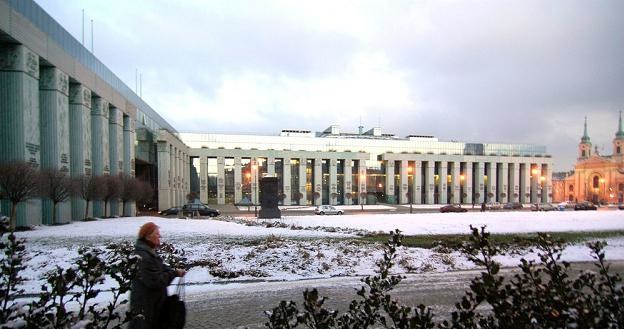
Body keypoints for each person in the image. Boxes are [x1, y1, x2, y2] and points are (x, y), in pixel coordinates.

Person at [129, 222, 186, 329]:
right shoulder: (144, 256)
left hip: (153, 306)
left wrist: (175, 271)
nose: (160, 236)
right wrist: (174, 273)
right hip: (146, 309)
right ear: (148, 236)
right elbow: (156, 281)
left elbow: (160, 267)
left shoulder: (148, 252)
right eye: (157, 233)